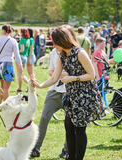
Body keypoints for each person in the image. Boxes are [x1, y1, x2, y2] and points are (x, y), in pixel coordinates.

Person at [32, 26, 104, 160]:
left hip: (85, 95)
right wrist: (40, 85)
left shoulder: (80, 53)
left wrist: (73, 78)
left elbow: (92, 75)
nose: (53, 45)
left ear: (62, 40)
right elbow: (54, 78)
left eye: (55, 42)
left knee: (79, 129)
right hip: (71, 96)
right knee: (69, 128)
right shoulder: (62, 56)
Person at [31, 48, 68, 158]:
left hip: (69, 92)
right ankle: (35, 148)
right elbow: (51, 72)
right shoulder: (53, 52)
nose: (55, 46)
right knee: (44, 118)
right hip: (54, 91)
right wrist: (62, 74)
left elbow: (75, 72)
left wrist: (58, 73)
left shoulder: (73, 52)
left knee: (69, 123)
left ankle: (67, 149)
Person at [0, 24, 22, 102]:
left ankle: (0, 103)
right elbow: (17, 55)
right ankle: (6, 106)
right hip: (8, 63)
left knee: (1, 86)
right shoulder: (13, 41)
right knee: (6, 88)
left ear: (3, 30)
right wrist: (20, 65)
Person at [16, 28, 30, 92]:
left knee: (19, 74)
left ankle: (20, 88)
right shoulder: (28, 40)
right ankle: (29, 84)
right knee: (21, 73)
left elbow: (22, 50)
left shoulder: (22, 40)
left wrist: (16, 53)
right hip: (25, 57)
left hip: (20, 57)